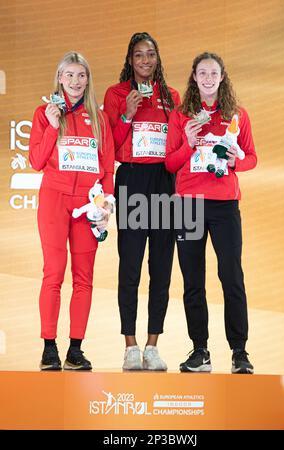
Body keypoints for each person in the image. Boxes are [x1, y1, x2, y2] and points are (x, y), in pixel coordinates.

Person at [165, 52, 257, 374]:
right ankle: (200, 350)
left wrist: (235, 161)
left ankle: (240, 352)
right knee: (193, 280)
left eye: (213, 73)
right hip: (188, 204)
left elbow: (251, 159)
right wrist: (188, 142)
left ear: (221, 77)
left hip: (224, 204)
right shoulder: (181, 116)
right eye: (201, 72)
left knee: (231, 276)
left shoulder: (236, 115)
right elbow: (170, 164)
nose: (207, 78)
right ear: (193, 76)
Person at [29, 51, 115, 371]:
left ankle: (75, 349)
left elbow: (107, 169)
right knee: (53, 272)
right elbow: (36, 161)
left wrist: (105, 205)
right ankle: (49, 346)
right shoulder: (44, 113)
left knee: (84, 278)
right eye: (69, 75)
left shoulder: (100, 118)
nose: (76, 82)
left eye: (81, 76)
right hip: (54, 200)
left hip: (86, 206)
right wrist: (52, 126)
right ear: (59, 79)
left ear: (87, 80)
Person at [104, 32, 180, 371]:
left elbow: (178, 145)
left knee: (161, 267)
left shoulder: (172, 96)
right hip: (132, 180)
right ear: (130, 60)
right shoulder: (116, 93)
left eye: (150, 54)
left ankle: (152, 345)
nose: (145, 61)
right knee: (130, 266)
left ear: (158, 58)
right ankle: (130, 345)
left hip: (165, 182)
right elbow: (111, 145)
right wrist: (127, 114)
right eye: (138, 55)